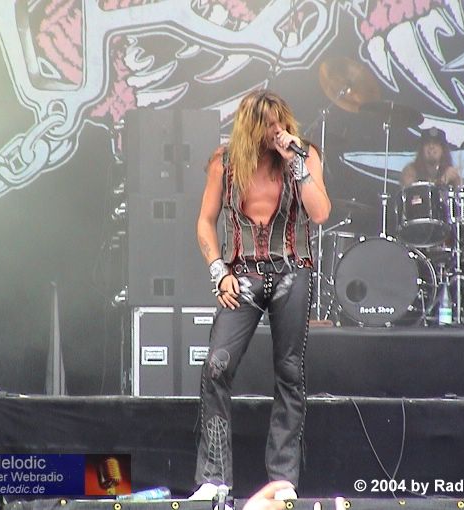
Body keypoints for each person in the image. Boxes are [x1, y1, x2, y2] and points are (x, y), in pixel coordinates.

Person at [190, 90, 331, 500]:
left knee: (289, 373)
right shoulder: (225, 162)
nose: (276, 131)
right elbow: (205, 221)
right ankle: (214, 479)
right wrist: (218, 272)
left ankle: (282, 480)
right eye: (267, 125)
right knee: (216, 366)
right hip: (242, 274)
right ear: (250, 127)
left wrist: (297, 162)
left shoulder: (305, 154)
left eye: (280, 122)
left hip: (292, 271)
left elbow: (321, 213)